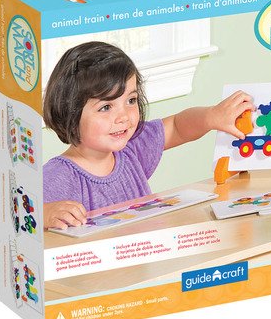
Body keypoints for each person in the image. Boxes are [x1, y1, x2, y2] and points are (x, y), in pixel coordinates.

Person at [43, 41, 254, 229]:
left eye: (131, 100)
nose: (124, 116)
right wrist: (43, 215)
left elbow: (177, 127)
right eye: (106, 107)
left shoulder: (132, 149)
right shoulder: (59, 176)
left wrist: (211, 117)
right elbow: (23, 216)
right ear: (70, 112)